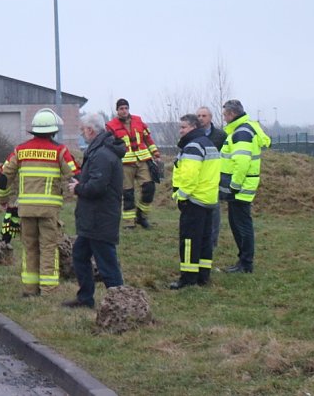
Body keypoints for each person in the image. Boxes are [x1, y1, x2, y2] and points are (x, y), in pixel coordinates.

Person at [0, 109, 80, 297]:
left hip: (25, 209)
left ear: (33, 130)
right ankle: (48, 291)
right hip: (49, 211)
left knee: (30, 248)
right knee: (48, 248)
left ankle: (30, 289)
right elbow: (75, 176)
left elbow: (3, 178)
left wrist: (3, 201)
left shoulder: (21, 150)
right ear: (53, 131)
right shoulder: (60, 151)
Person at [62, 114, 127, 308]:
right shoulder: (99, 151)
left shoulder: (102, 154)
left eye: (82, 130)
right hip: (93, 217)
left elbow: (98, 186)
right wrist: (82, 180)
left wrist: (78, 188)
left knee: (107, 263)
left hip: (100, 217)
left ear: (90, 130)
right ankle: (85, 298)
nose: (82, 134)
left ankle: (120, 302)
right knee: (80, 254)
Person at [219, 99, 271, 273]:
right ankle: (243, 261)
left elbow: (242, 162)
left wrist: (233, 185)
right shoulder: (246, 128)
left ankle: (246, 263)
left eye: (225, 114)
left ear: (232, 114)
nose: (224, 118)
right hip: (243, 184)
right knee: (238, 223)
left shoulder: (241, 133)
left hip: (240, 186)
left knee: (241, 225)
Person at [169, 114, 220, 289]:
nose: (180, 131)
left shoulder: (192, 146)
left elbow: (189, 176)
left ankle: (188, 278)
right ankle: (203, 276)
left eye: (183, 127)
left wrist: (181, 197)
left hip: (194, 200)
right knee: (205, 240)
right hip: (209, 199)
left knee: (189, 241)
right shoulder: (208, 143)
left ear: (193, 127)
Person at [106, 99, 161, 229]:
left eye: (126, 108)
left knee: (149, 188)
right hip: (125, 163)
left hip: (142, 160)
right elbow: (109, 144)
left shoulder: (138, 121)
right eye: (121, 109)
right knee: (128, 193)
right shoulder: (111, 126)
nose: (124, 111)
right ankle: (129, 223)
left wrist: (156, 154)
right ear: (117, 111)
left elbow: (148, 139)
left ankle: (141, 215)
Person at [196, 106, 227, 249]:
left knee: (214, 210)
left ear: (210, 118)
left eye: (204, 116)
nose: (201, 118)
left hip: (214, 178)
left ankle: (212, 241)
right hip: (196, 177)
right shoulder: (193, 135)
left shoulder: (220, 136)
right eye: (199, 116)